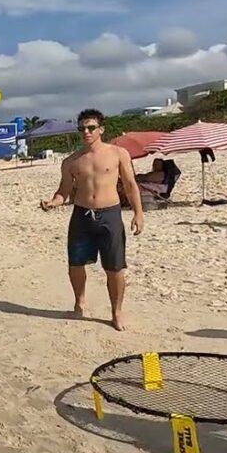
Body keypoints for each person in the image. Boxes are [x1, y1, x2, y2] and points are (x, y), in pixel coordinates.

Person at [39, 109, 143, 331]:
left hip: (110, 214)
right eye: (82, 128)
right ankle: (79, 301)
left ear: (101, 129)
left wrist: (138, 213)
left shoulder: (118, 153)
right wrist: (53, 202)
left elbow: (130, 185)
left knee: (114, 268)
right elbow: (63, 191)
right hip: (82, 215)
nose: (85, 132)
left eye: (90, 128)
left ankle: (116, 311)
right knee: (75, 264)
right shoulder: (71, 161)